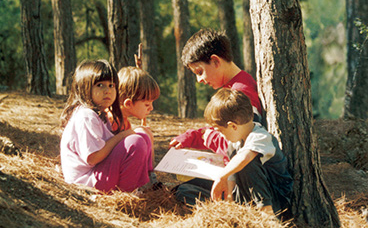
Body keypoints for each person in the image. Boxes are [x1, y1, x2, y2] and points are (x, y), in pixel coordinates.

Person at [173, 89, 293, 219]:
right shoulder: (234, 143)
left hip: (274, 200)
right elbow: (232, 174)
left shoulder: (260, 136)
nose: (220, 135)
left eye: (220, 130)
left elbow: (244, 158)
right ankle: (233, 215)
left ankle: (267, 217)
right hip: (246, 197)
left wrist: (222, 176)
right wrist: (229, 202)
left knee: (247, 163)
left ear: (233, 126)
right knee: (184, 191)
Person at [59, 60, 153, 193]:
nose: (107, 91)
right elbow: (93, 157)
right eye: (100, 85)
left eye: (111, 85)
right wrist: (124, 135)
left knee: (142, 135)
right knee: (135, 142)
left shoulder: (99, 114)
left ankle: (146, 182)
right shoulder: (86, 116)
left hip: (99, 174)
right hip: (87, 182)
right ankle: (126, 195)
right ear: (84, 87)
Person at [170, 29, 264, 155]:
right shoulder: (236, 85)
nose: (199, 80)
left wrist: (206, 136)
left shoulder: (242, 93)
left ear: (215, 61)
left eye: (200, 72)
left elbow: (239, 144)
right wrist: (193, 137)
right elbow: (224, 128)